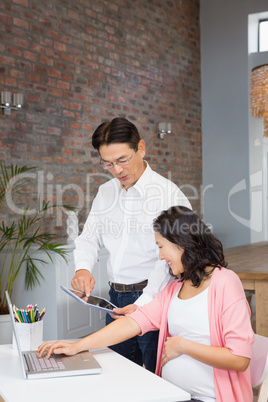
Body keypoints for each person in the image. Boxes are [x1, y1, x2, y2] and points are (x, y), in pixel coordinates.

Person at [38, 206, 255, 402]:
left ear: (182, 243)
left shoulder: (225, 282)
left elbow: (239, 359)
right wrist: (76, 346)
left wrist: (183, 346)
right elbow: (132, 323)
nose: (160, 257)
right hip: (171, 394)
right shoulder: (174, 288)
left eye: (161, 247)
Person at [70, 117, 191, 372]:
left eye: (122, 160)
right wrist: (83, 268)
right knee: (118, 375)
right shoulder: (106, 192)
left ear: (141, 149)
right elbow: (89, 237)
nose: (117, 170)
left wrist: (144, 302)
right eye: (108, 164)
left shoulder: (168, 194)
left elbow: (175, 257)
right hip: (114, 299)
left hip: (156, 298)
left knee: (158, 377)